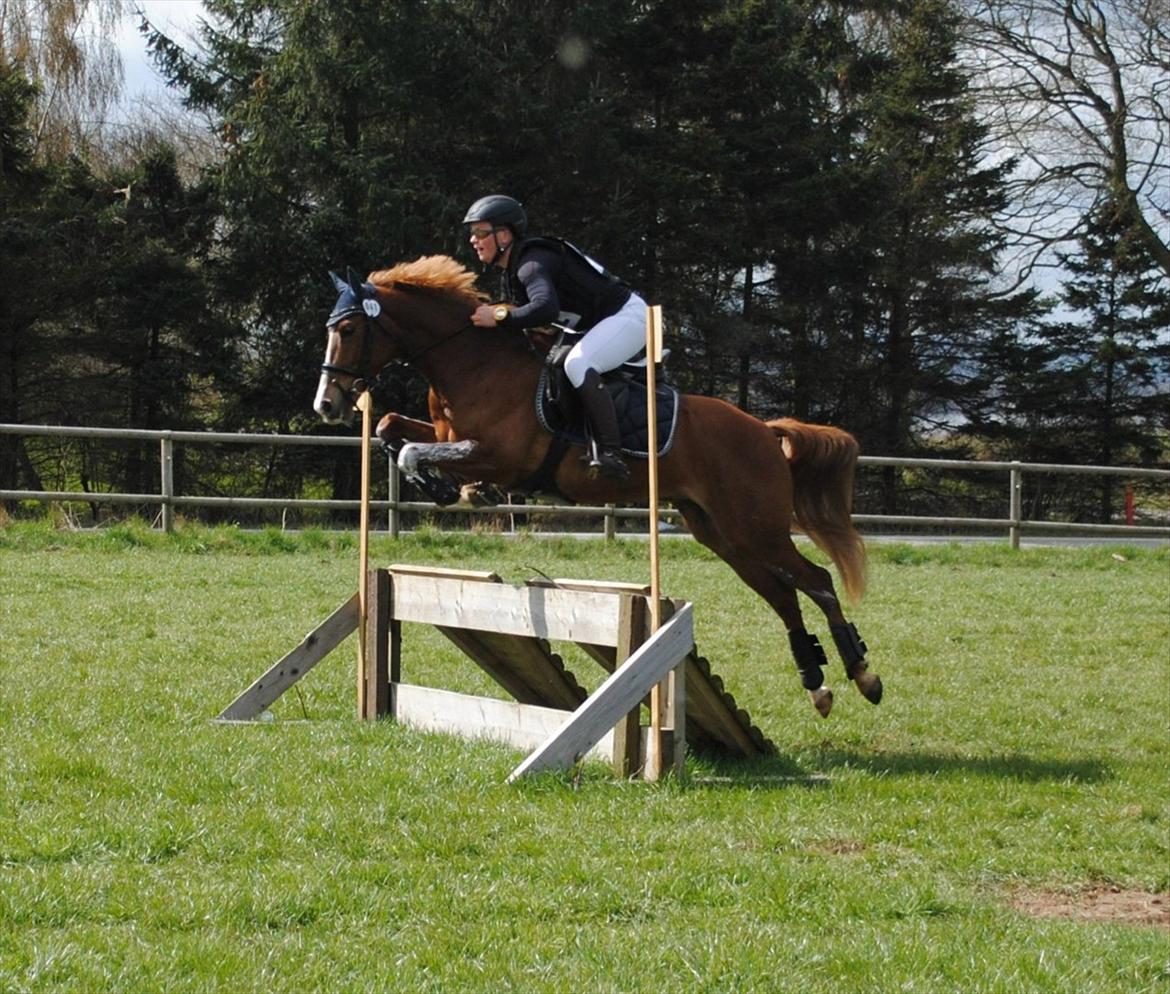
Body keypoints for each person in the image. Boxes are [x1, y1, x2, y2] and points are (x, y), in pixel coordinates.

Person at [464, 194, 647, 481]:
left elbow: (545, 307)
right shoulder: (513, 271)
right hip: (594, 325)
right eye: (472, 233)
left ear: (503, 234)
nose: (473, 240)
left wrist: (499, 317)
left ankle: (611, 452)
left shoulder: (531, 264)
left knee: (577, 363)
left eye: (480, 232)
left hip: (629, 317)